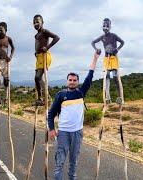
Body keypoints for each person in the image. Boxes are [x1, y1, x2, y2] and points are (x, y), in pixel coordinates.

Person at [47, 52, 100, 180]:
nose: (72, 82)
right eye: (70, 80)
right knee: (59, 162)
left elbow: (90, 75)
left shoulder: (81, 92)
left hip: (77, 133)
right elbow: (51, 114)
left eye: (74, 80)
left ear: (77, 82)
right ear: (67, 81)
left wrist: (95, 57)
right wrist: (51, 129)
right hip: (63, 133)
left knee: (73, 162)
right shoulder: (60, 95)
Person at [91, 18, 124, 104]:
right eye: (104, 25)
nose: (105, 27)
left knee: (116, 77)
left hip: (114, 58)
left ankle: (120, 97)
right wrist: (96, 49)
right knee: (107, 77)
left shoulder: (114, 36)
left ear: (110, 26)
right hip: (106, 58)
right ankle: (108, 97)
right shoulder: (102, 37)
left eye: (107, 25)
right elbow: (93, 42)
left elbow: (122, 42)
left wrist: (117, 49)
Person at [33, 14, 60, 106]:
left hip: (45, 56)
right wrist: (36, 52)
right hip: (39, 57)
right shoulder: (36, 35)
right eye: (34, 22)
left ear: (42, 22)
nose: (35, 24)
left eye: (37, 21)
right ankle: (44, 98)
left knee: (38, 77)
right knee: (37, 79)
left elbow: (57, 37)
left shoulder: (45, 31)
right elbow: (38, 45)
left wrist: (47, 47)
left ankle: (42, 98)